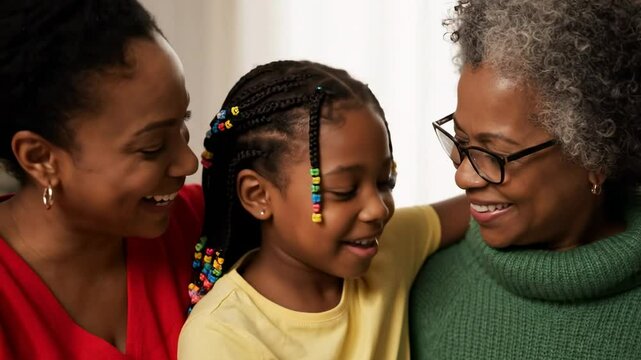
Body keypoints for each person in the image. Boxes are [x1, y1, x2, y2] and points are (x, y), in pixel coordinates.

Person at [177, 60, 469, 359]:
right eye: (344, 190)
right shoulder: (219, 337)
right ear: (258, 195)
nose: (377, 209)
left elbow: (481, 206)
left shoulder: (390, 247)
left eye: (385, 182)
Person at [410, 0, 641, 358]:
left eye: (496, 152)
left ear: (594, 154)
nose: (463, 175)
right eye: (462, 141)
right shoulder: (423, 284)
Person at [0, 1, 201, 358]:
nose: (188, 163)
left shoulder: (207, 223)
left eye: (182, 121)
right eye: (152, 147)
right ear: (40, 158)